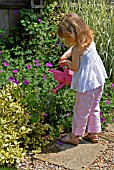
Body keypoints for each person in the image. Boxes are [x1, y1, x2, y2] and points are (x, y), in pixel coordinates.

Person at [58, 13, 108, 145]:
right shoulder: (89, 39)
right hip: (98, 81)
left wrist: (67, 63)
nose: (67, 40)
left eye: (68, 37)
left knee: (80, 110)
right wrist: (66, 54)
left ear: (73, 34)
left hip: (87, 85)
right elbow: (74, 49)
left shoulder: (76, 50)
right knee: (94, 107)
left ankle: (75, 136)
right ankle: (93, 133)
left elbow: (74, 67)